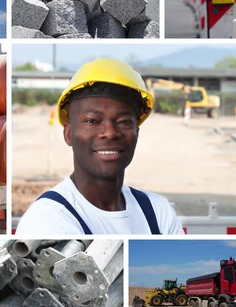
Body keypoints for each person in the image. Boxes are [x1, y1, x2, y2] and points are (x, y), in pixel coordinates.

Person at [16, 58, 184, 235]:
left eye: (124, 121)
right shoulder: (48, 219)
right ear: (68, 134)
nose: (110, 133)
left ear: (137, 133)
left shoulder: (157, 213)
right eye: (92, 121)